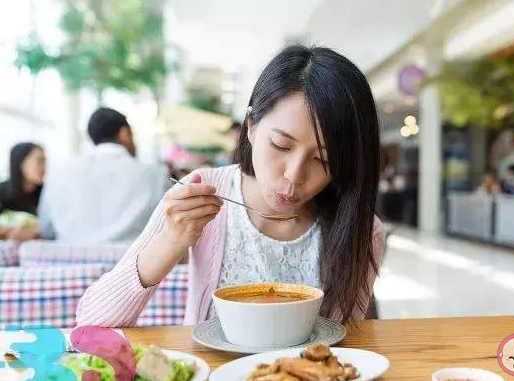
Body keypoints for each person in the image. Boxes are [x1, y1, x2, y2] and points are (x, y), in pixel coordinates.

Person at [76, 45, 386, 327]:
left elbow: (344, 347)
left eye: (324, 161)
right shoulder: (203, 189)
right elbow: (92, 322)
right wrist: (172, 240)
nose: (294, 175)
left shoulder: (360, 229)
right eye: (280, 145)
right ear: (251, 127)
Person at [38, 107, 170, 243]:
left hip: (67, 260)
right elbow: (170, 225)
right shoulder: (156, 175)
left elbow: (47, 228)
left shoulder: (58, 173)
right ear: (124, 133)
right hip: (138, 261)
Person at [0, 142, 46, 241]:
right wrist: (11, 232)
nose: (44, 167)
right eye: (39, 161)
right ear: (21, 163)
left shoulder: (47, 194)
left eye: (45, 161)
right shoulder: (2, 191)